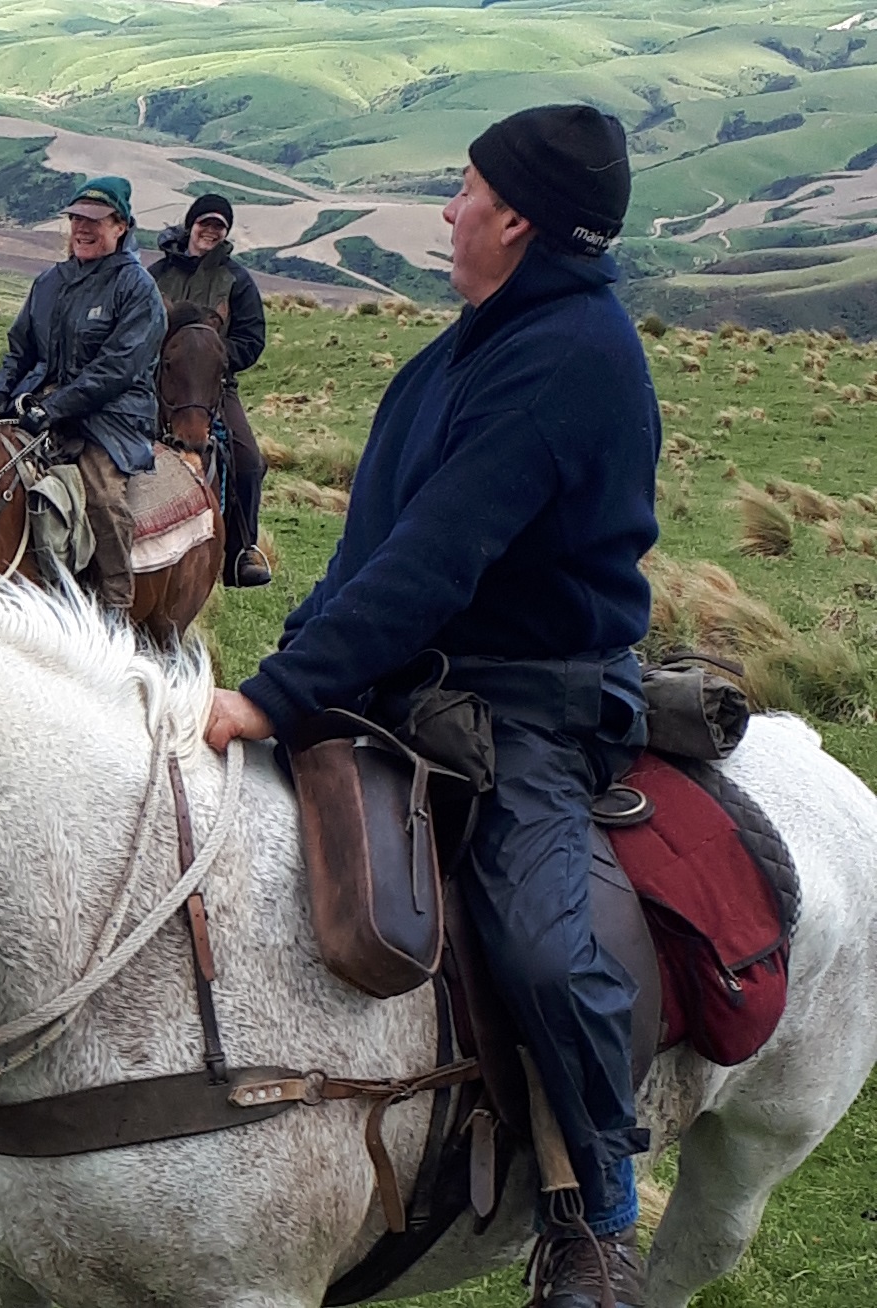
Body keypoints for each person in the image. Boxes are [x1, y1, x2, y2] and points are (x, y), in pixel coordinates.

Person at [205, 106, 658, 1308]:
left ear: (515, 217)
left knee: (551, 954)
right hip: (412, 680)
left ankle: (595, 1212)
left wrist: (274, 695)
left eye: (464, 190)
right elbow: (375, 547)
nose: (449, 211)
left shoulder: (571, 357)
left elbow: (436, 563)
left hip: (531, 705)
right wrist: (298, 663)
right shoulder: (464, 347)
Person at [0, 175, 166, 613]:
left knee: (102, 497)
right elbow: (20, 348)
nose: (82, 228)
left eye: (95, 221)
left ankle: (114, 605)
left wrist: (54, 408)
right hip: (40, 405)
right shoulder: (49, 282)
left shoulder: (138, 289)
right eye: (76, 218)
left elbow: (117, 369)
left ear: (120, 226)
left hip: (110, 416)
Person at [148, 192, 272, 587]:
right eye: (205, 224)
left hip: (213, 384)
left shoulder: (237, 280)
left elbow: (252, 339)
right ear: (191, 225)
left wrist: (211, 357)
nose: (211, 232)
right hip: (154, 380)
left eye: (220, 226)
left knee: (248, 460)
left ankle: (241, 551)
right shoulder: (155, 274)